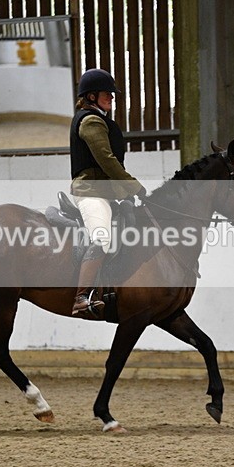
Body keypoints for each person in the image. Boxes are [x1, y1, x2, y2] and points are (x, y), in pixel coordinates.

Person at [69, 68, 146, 318]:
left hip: (105, 191)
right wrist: (133, 186)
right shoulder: (90, 121)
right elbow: (106, 160)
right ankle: (81, 297)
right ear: (91, 96)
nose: (112, 98)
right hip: (91, 192)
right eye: (107, 94)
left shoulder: (99, 119)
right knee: (101, 238)